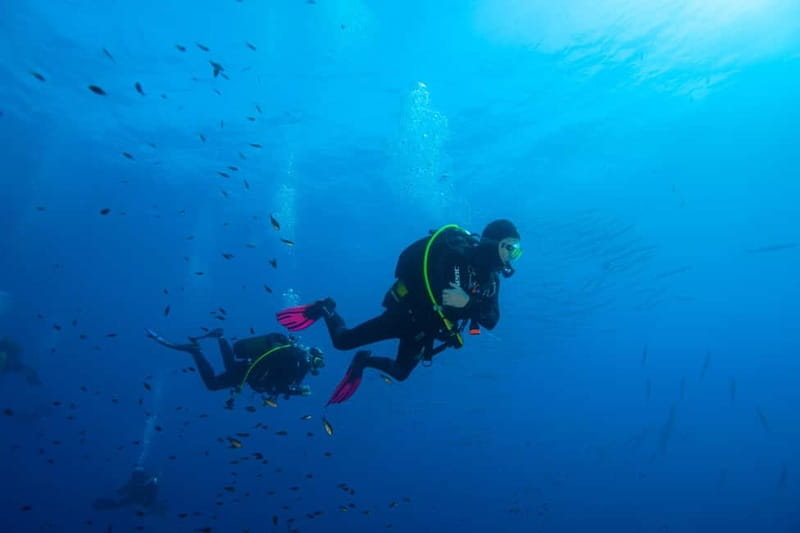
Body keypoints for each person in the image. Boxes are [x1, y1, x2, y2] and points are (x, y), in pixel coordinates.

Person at [276, 219, 522, 404]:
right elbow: (442, 295)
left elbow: (492, 320)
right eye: (510, 247)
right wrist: (466, 303)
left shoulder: (492, 281)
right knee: (342, 342)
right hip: (404, 316)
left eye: (516, 250)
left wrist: (467, 303)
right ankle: (326, 308)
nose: (513, 255)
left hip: (426, 330)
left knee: (401, 372)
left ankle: (364, 361)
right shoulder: (458, 256)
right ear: (493, 243)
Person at [145, 328, 325, 400]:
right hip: (253, 372)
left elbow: (278, 380)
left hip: (253, 369)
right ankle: (196, 350)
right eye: (317, 362)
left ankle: (219, 338)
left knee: (230, 366)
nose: (315, 366)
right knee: (214, 384)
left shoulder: (297, 358)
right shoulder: (300, 363)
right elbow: (280, 384)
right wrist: (297, 392)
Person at [93, 467, 162, 511]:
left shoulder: (146, 482)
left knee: (117, 504)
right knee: (117, 504)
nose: (137, 478)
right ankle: (100, 504)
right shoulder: (141, 481)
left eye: (138, 475)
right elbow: (123, 490)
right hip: (136, 499)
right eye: (136, 476)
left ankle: (100, 504)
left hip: (137, 500)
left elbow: (122, 491)